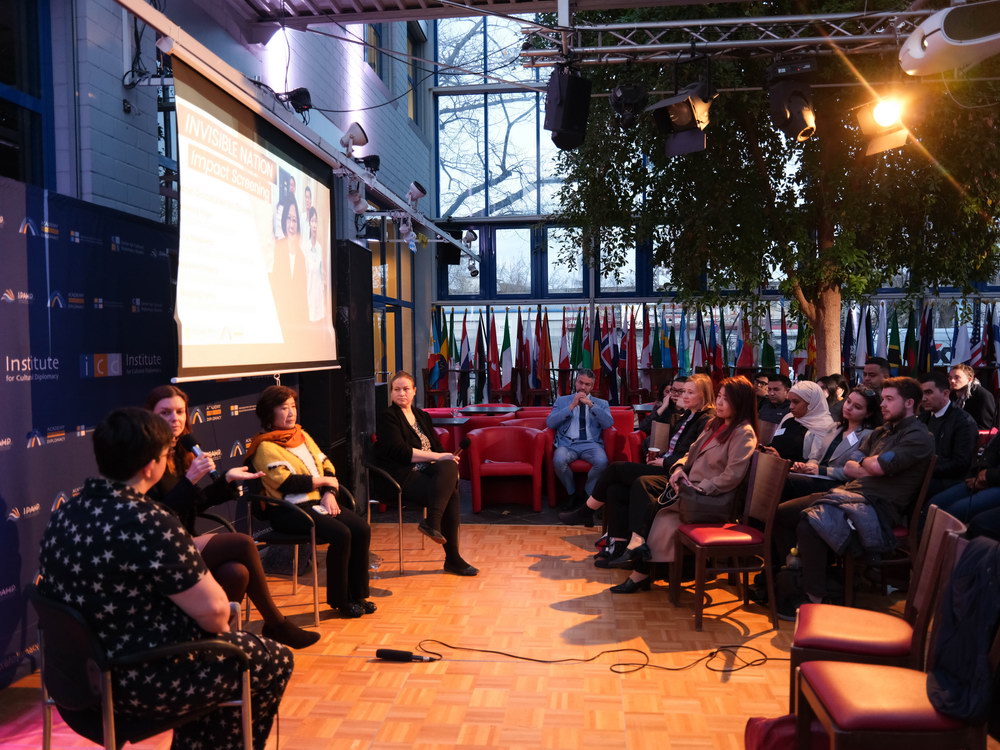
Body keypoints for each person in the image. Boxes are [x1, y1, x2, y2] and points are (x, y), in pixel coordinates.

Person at [38, 408, 292, 750]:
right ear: (150, 466)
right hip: (137, 682)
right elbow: (217, 615)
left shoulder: (64, 515)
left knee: (216, 658)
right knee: (272, 658)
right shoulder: (150, 520)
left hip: (74, 680)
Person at [145, 385, 320, 649]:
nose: (175, 419)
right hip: (159, 548)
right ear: (150, 416)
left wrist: (225, 479)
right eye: (165, 413)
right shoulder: (146, 458)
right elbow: (158, 516)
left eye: (180, 412)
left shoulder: (181, 450)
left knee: (237, 573)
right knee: (243, 543)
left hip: (184, 539)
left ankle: (217, 642)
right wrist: (190, 480)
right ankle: (276, 624)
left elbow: (194, 505)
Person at [787, 377, 935, 614]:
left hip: (878, 508)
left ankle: (815, 598)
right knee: (783, 513)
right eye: (883, 399)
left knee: (809, 524)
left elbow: (873, 466)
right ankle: (790, 578)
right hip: (851, 494)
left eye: (889, 399)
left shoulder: (918, 436)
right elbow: (849, 466)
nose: (883, 404)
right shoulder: (882, 432)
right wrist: (869, 464)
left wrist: (866, 464)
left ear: (909, 403)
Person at [609, 375, 759, 594]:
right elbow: (690, 453)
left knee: (653, 503)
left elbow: (731, 477)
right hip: (689, 488)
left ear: (741, 402)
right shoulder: (715, 424)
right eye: (718, 396)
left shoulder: (743, 433)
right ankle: (636, 556)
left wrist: (698, 488)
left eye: (726, 399)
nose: (719, 403)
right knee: (639, 493)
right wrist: (679, 469)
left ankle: (639, 565)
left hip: (710, 500)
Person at [249, 385, 374, 618]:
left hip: (317, 501)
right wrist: (324, 482)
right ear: (269, 413)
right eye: (283, 407)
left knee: (361, 528)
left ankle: (358, 595)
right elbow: (286, 482)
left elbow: (327, 465)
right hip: (288, 510)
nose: (291, 413)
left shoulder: (302, 435)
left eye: (293, 406)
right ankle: (341, 601)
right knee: (341, 534)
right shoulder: (264, 446)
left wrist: (329, 493)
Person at [558, 373, 714, 537]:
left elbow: (694, 456)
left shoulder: (705, 419)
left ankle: (585, 511)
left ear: (703, 395)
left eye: (689, 392)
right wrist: (667, 409)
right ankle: (617, 542)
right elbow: (647, 429)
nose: (683, 396)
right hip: (664, 462)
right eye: (683, 392)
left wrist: (665, 461)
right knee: (614, 489)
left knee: (615, 469)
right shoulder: (688, 415)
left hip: (674, 471)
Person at [373, 370, 477, 576]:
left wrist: (446, 457)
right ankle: (451, 557)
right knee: (451, 494)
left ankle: (433, 523)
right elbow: (401, 452)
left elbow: (437, 447)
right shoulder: (388, 417)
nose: (401, 393)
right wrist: (438, 457)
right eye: (396, 389)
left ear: (414, 391)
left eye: (405, 389)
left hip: (427, 473)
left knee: (450, 466)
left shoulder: (422, 416)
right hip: (401, 476)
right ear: (391, 393)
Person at [774, 386, 882, 559]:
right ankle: (781, 550)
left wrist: (821, 470)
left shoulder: (868, 435)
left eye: (857, 407)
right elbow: (816, 456)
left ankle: (787, 556)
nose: (849, 408)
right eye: (848, 402)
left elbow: (853, 471)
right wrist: (808, 466)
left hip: (839, 484)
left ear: (868, 413)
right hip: (818, 476)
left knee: (784, 483)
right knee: (778, 483)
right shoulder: (835, 427)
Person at [546, 369, 613, 506]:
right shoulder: (562, 401)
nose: (583, 387)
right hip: (567, 444)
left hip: (591, 444)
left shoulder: (601, 403)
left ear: (592, 386)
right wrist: (571, 406)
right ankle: (572, 493)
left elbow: (608, 423)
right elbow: (550, 423)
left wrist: (591, 405)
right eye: (580, 382)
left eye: (587, 384)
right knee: (558, 460)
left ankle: (588, 494)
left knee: (602, 462)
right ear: (575, 382)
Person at [917, 370, 978, 497]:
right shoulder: (924, 417)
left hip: (948, 481)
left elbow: (961, 464)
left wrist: (924, 469)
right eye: (921, 393)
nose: (923, 398)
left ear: (945, 393)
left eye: (928, 392)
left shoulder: (963, 422)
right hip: (925, 475)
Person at [929, 432, 1000, 524]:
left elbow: (960, 462)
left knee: (955, 512)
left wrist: (988, 476)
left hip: (994, 481)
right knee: (935, 504)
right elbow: (991, 451)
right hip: (983, 477)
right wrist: (981, 472)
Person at [761, 380, 836, 464]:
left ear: (811, 403)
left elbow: (815, 462)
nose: (791, 407)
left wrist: (783, 461)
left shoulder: (825, 427)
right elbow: (776, 441)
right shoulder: (789, 417)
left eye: (796, 402)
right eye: (790, 401)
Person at [949, 363, 997, 430]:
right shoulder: (951, 396)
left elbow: (986, 427)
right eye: (950, 378)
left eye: (957, 377)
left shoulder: (982, 395)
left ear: (969, 379)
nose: (952, 381)